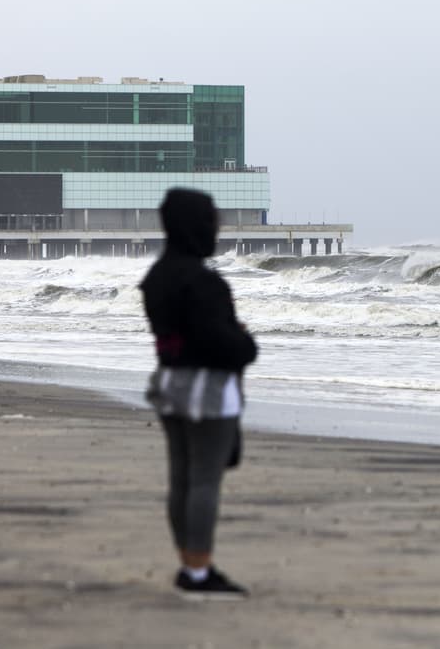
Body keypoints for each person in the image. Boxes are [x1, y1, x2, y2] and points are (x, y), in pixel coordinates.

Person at [140, 187, 258, 599]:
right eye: (213, 220)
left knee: (182, 479)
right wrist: (247, 344)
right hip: (207, 392)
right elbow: (219, 344)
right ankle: (197, 573)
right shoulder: (205, 283)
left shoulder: (156, 277)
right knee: (205, 482)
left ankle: (188, 564)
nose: (217, 227)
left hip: (169, 385)